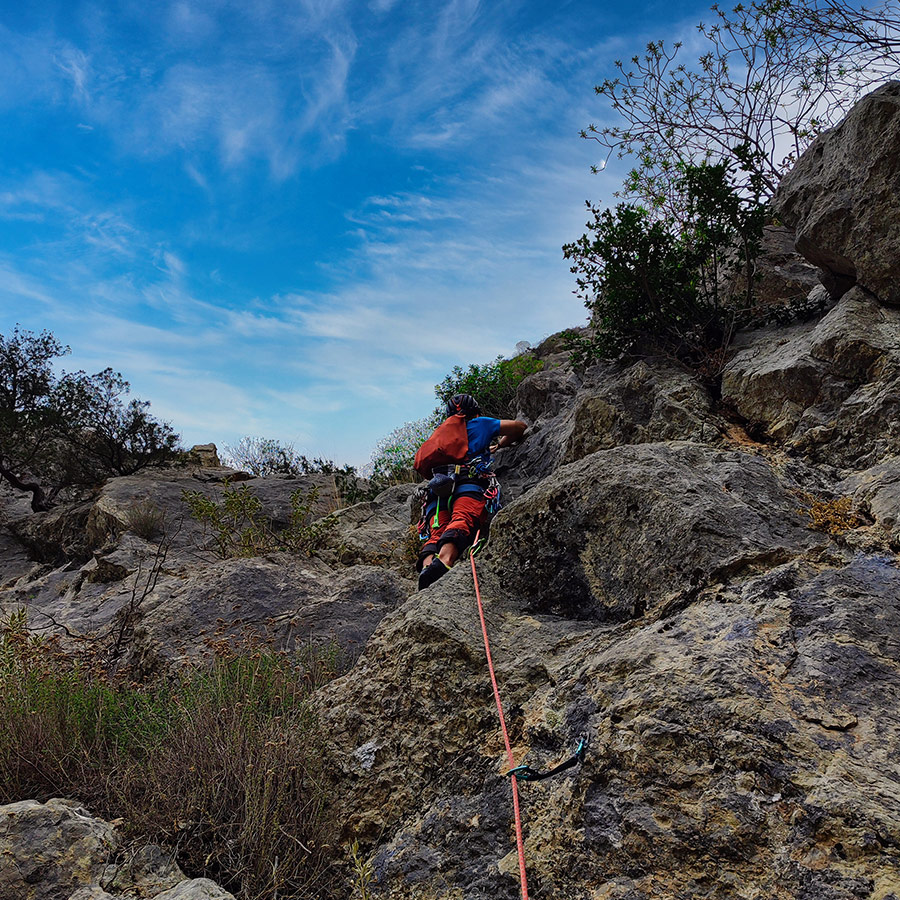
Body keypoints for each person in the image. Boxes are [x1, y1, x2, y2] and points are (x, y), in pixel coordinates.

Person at [416, 393, 527, 590]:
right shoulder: (480, 423)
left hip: (437, 491)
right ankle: (444, 561)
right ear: (475, 412)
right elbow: (519, 427)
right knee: (462, 519)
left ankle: (427, 568)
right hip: (468, 484)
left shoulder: (440, 434)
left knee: (436, 531)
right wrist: (499, 444)